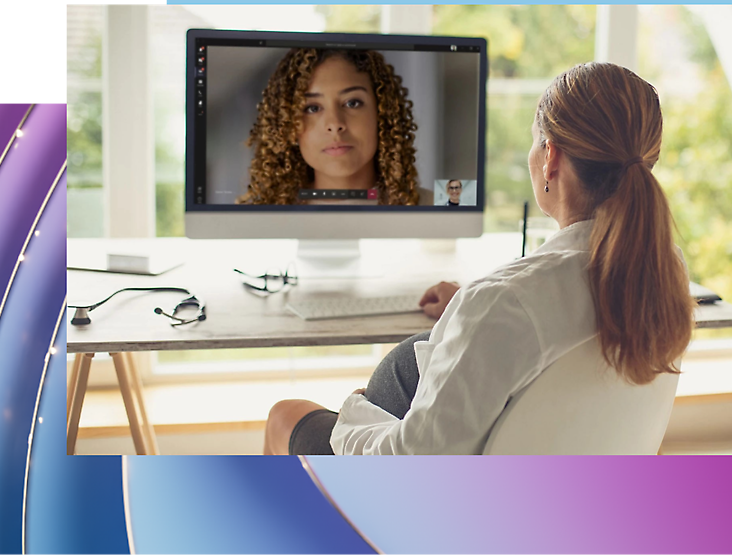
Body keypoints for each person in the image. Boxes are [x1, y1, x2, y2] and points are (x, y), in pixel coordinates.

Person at [263, 62, 695, 455]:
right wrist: (468, 308)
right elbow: (552, 317)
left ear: (551, 159)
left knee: (287, 414)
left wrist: (356, 414)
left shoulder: (506, 303)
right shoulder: (662, 270)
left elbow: (412, 463)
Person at [237, 48, 431, 205]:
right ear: (287, 126)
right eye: (312, 108)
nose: (335, 124)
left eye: (352, 103)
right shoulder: (258, 219)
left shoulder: (438, 206)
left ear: (383, 113)